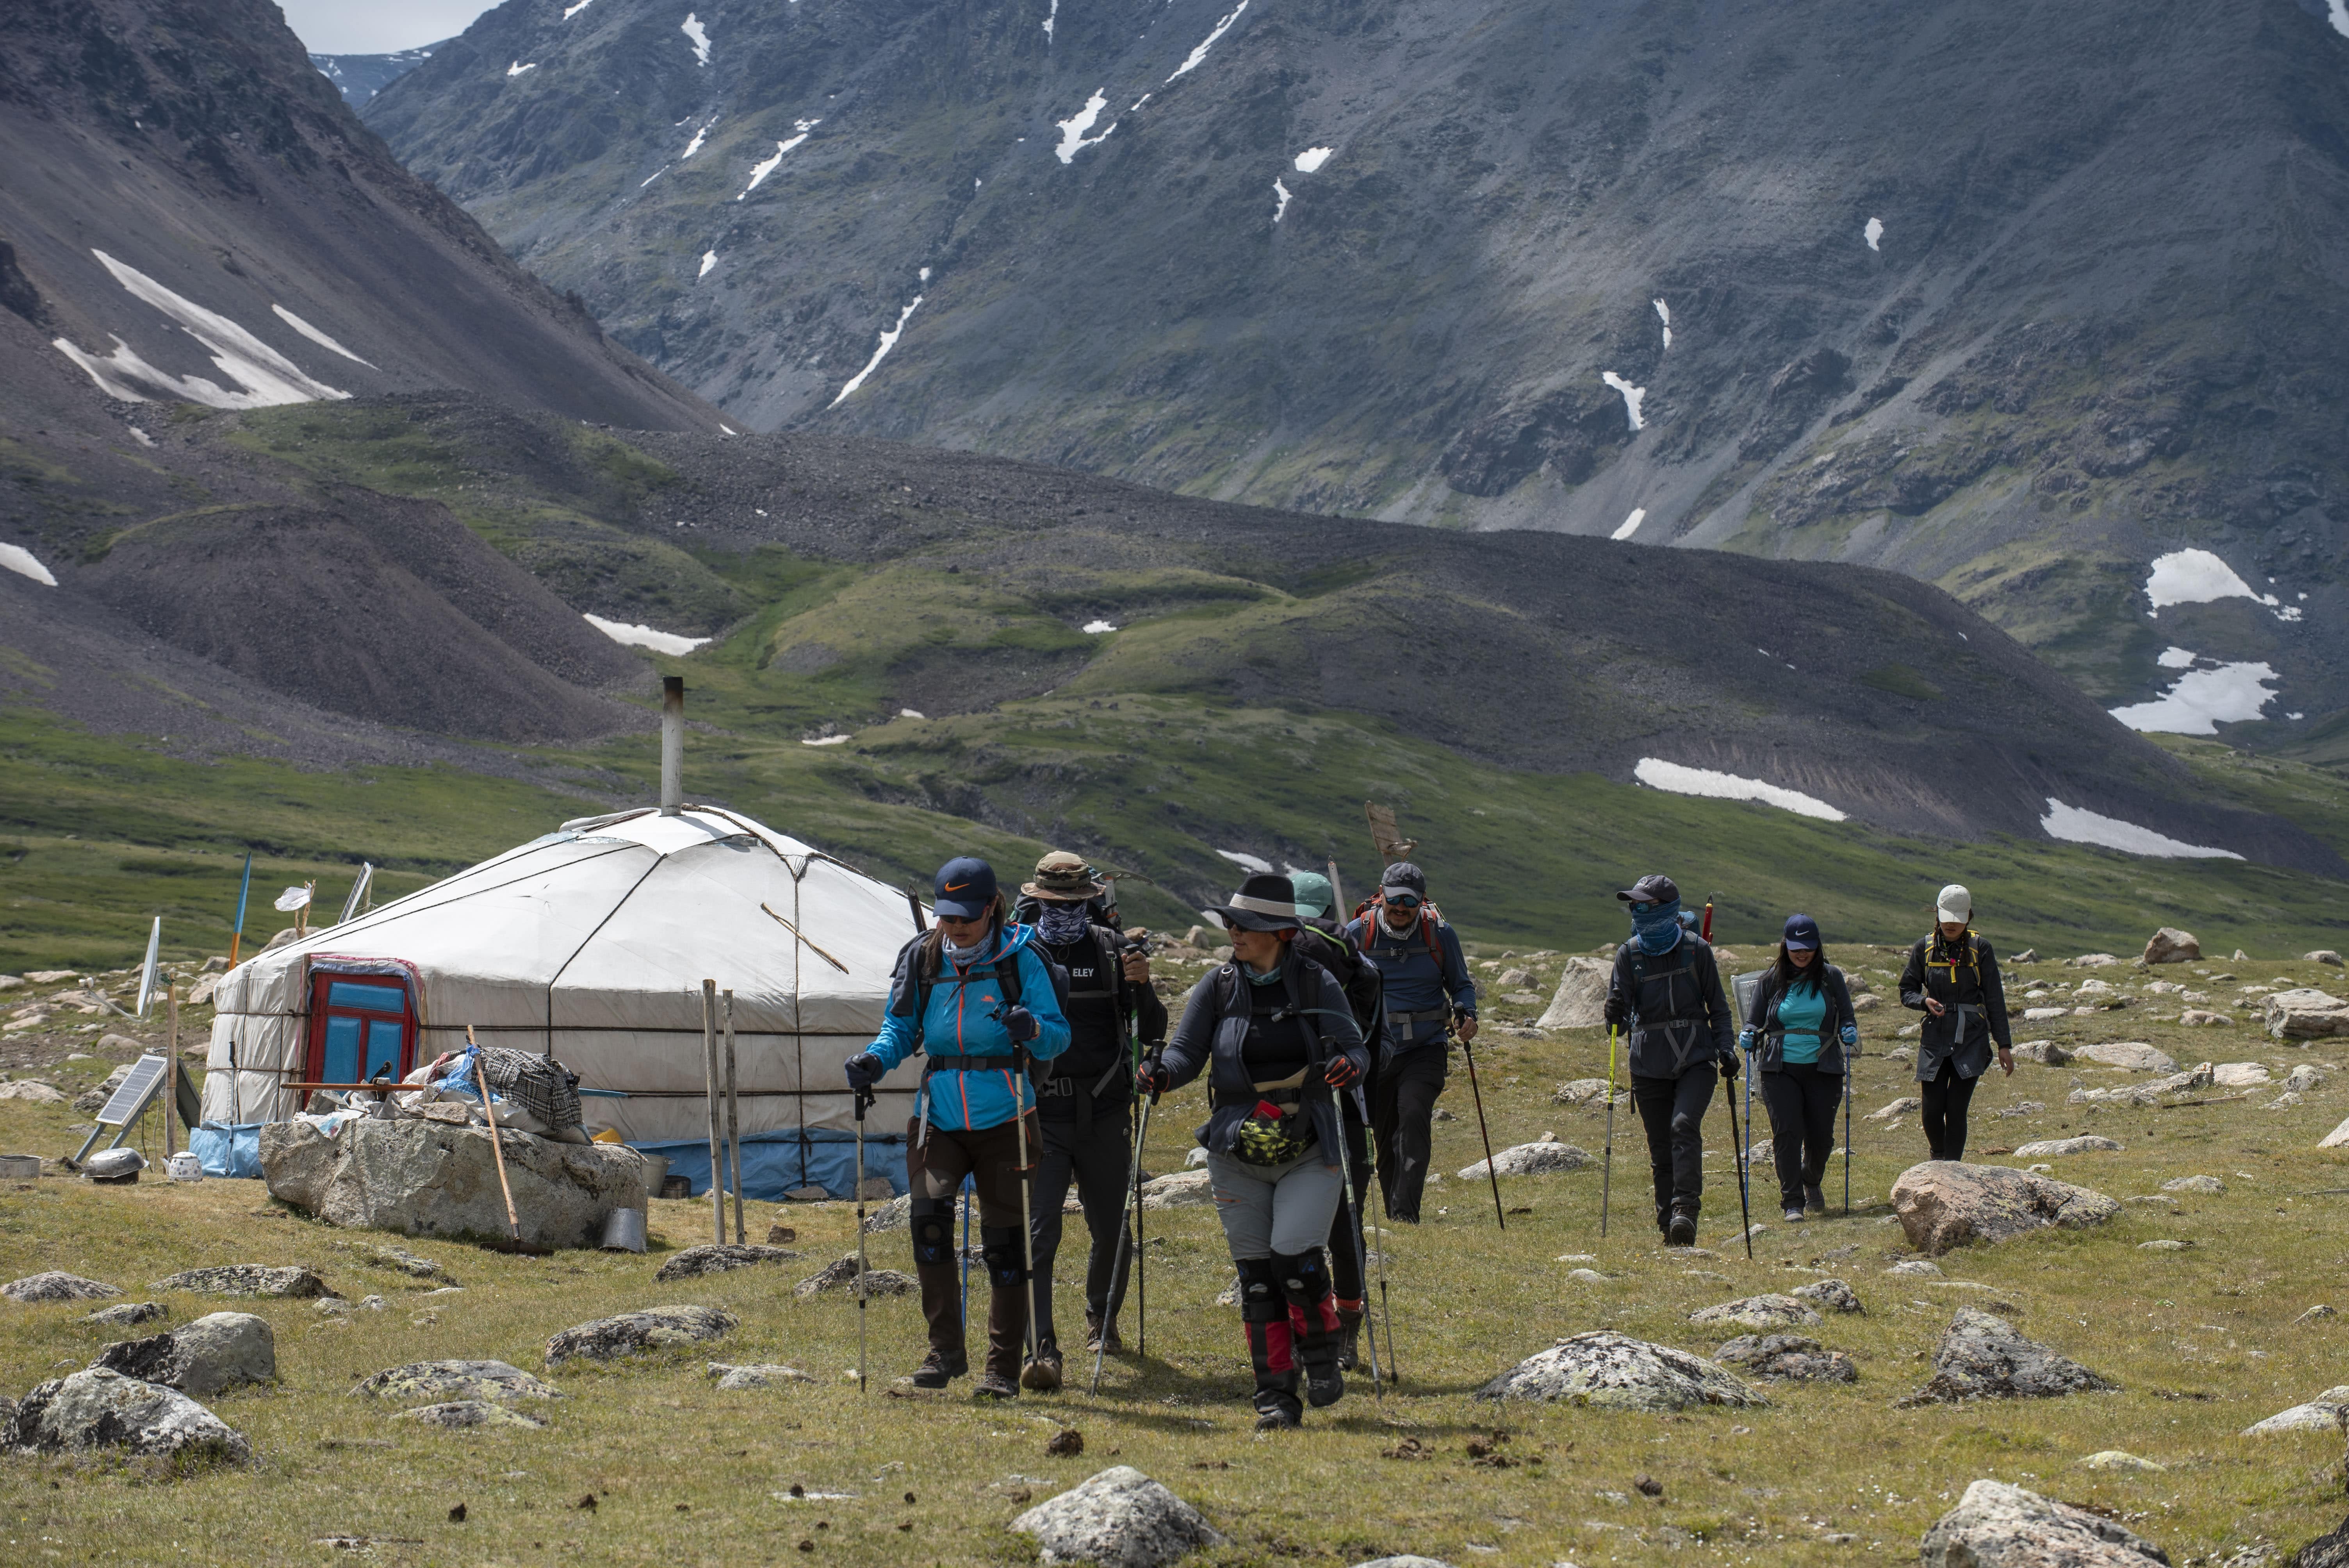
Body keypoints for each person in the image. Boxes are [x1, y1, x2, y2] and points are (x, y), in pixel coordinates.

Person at [1145, 873, 1371, 1430]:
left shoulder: (1318, 983)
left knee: (1295, 1258)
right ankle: (1275, 1397)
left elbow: (1357, 1050)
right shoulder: (1217, 986)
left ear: (1280, 933)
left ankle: (1320, 1357)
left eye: (1244, 926)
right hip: (1234, 1147)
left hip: (1309, 1144)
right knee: (1257, 1280)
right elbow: (1185, 1055)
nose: (1233, 933)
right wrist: (1158, 1076)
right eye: (1230, 924)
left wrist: (1348, 1066)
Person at [843, 856, 1072, 1398]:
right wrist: (876, 1060)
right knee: (928, 1226)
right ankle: (945, 1351)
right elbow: (900, 1027)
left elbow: (1058, 1037)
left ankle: (1001, 1368)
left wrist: (1032, 1026)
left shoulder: (1024, 960)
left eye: (967, 916)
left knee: (1006, 1246)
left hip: (1008, 1116)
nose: (957, 926)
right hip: (938, 1117)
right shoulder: (923, 958)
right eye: (947, 916)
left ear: (993, 907)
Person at [1018, 851, 1166, 1388]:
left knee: (1112, 1227)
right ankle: (1042, 1347)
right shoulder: (1019, 951)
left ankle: (1102, 1320)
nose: (1061, 912)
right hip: (1041, 1112)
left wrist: (1142, 983)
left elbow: (1152, 1027)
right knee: (1040, 1232)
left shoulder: (1113, 951)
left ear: (1090, 900)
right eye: (1051, 903)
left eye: (1072, 902)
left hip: (1104, 1112)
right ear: (1035, 899)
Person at [1602, 873, 1735, 1247]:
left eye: (1644, 905)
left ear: (1667, 908)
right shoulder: (1629, 955)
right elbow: (1621, 1022)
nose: (1637, 911)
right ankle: (1670, 1228)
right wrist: (1613, 1014)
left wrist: (1726, 1048)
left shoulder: (1697, 951)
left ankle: (1685, 1210)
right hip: (1648, 1064)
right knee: (1660, 1147)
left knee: (1682, 1126)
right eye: (1634, 906)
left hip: (1696, 1059)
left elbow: (1719, 1009)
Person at [1345, 862, 1476, 1224]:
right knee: (1386, 1136)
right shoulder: (1358, 934)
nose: (1401, 908)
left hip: (1426, 1046)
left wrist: (1468, 1013)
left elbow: (1461, 984)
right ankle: (1394, 1211)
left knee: (1414, 1116)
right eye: (1394, 900)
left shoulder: (1440, 934)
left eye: (1410, 901)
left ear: (1421, 901)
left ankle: (1405, 1214)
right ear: (1381, 895)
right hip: (1377, 1050)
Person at [1289, 870, 1383, 1370]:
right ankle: (1347, 1325)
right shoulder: (1357, 963)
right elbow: (1375, 1043)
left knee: (1289, 1225)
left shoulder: (1279, 949)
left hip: (1287, 1104)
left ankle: (1304, 1328)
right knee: (1345, 1223)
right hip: (1346, 1099)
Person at [1739, 914, 1859, 1222]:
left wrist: (1848, 1030)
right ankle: (1792, 1202)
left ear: (1818, 946)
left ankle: (1811, 1178)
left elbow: (1847, 1016)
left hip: (1824, 1068)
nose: (1802, 953)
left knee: (1822, 1138)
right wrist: (1749, 1033)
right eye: (1796, 948)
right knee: (1787, 1134)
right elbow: (1754, 1020)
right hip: (1780, 1070)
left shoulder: (1831, 978)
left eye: (1808, 947)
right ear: (1785, 946)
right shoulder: (1770, 981)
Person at [1898, 884, 2013, 1162]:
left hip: (1971, 1039)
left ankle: (1951, 1169)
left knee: (1956, 1108)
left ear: (1968, 918)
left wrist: (2004, 1045)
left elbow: (1995, 999)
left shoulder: (1981, 949)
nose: (1951, 925)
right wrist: (1924, 1002)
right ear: (1937, 915)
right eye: (1947, 918)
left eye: (1958, 920)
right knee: (1932, 1112)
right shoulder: (1923, 948)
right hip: (1935, 1039)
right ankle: (1939, 1156)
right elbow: (1906, 990)